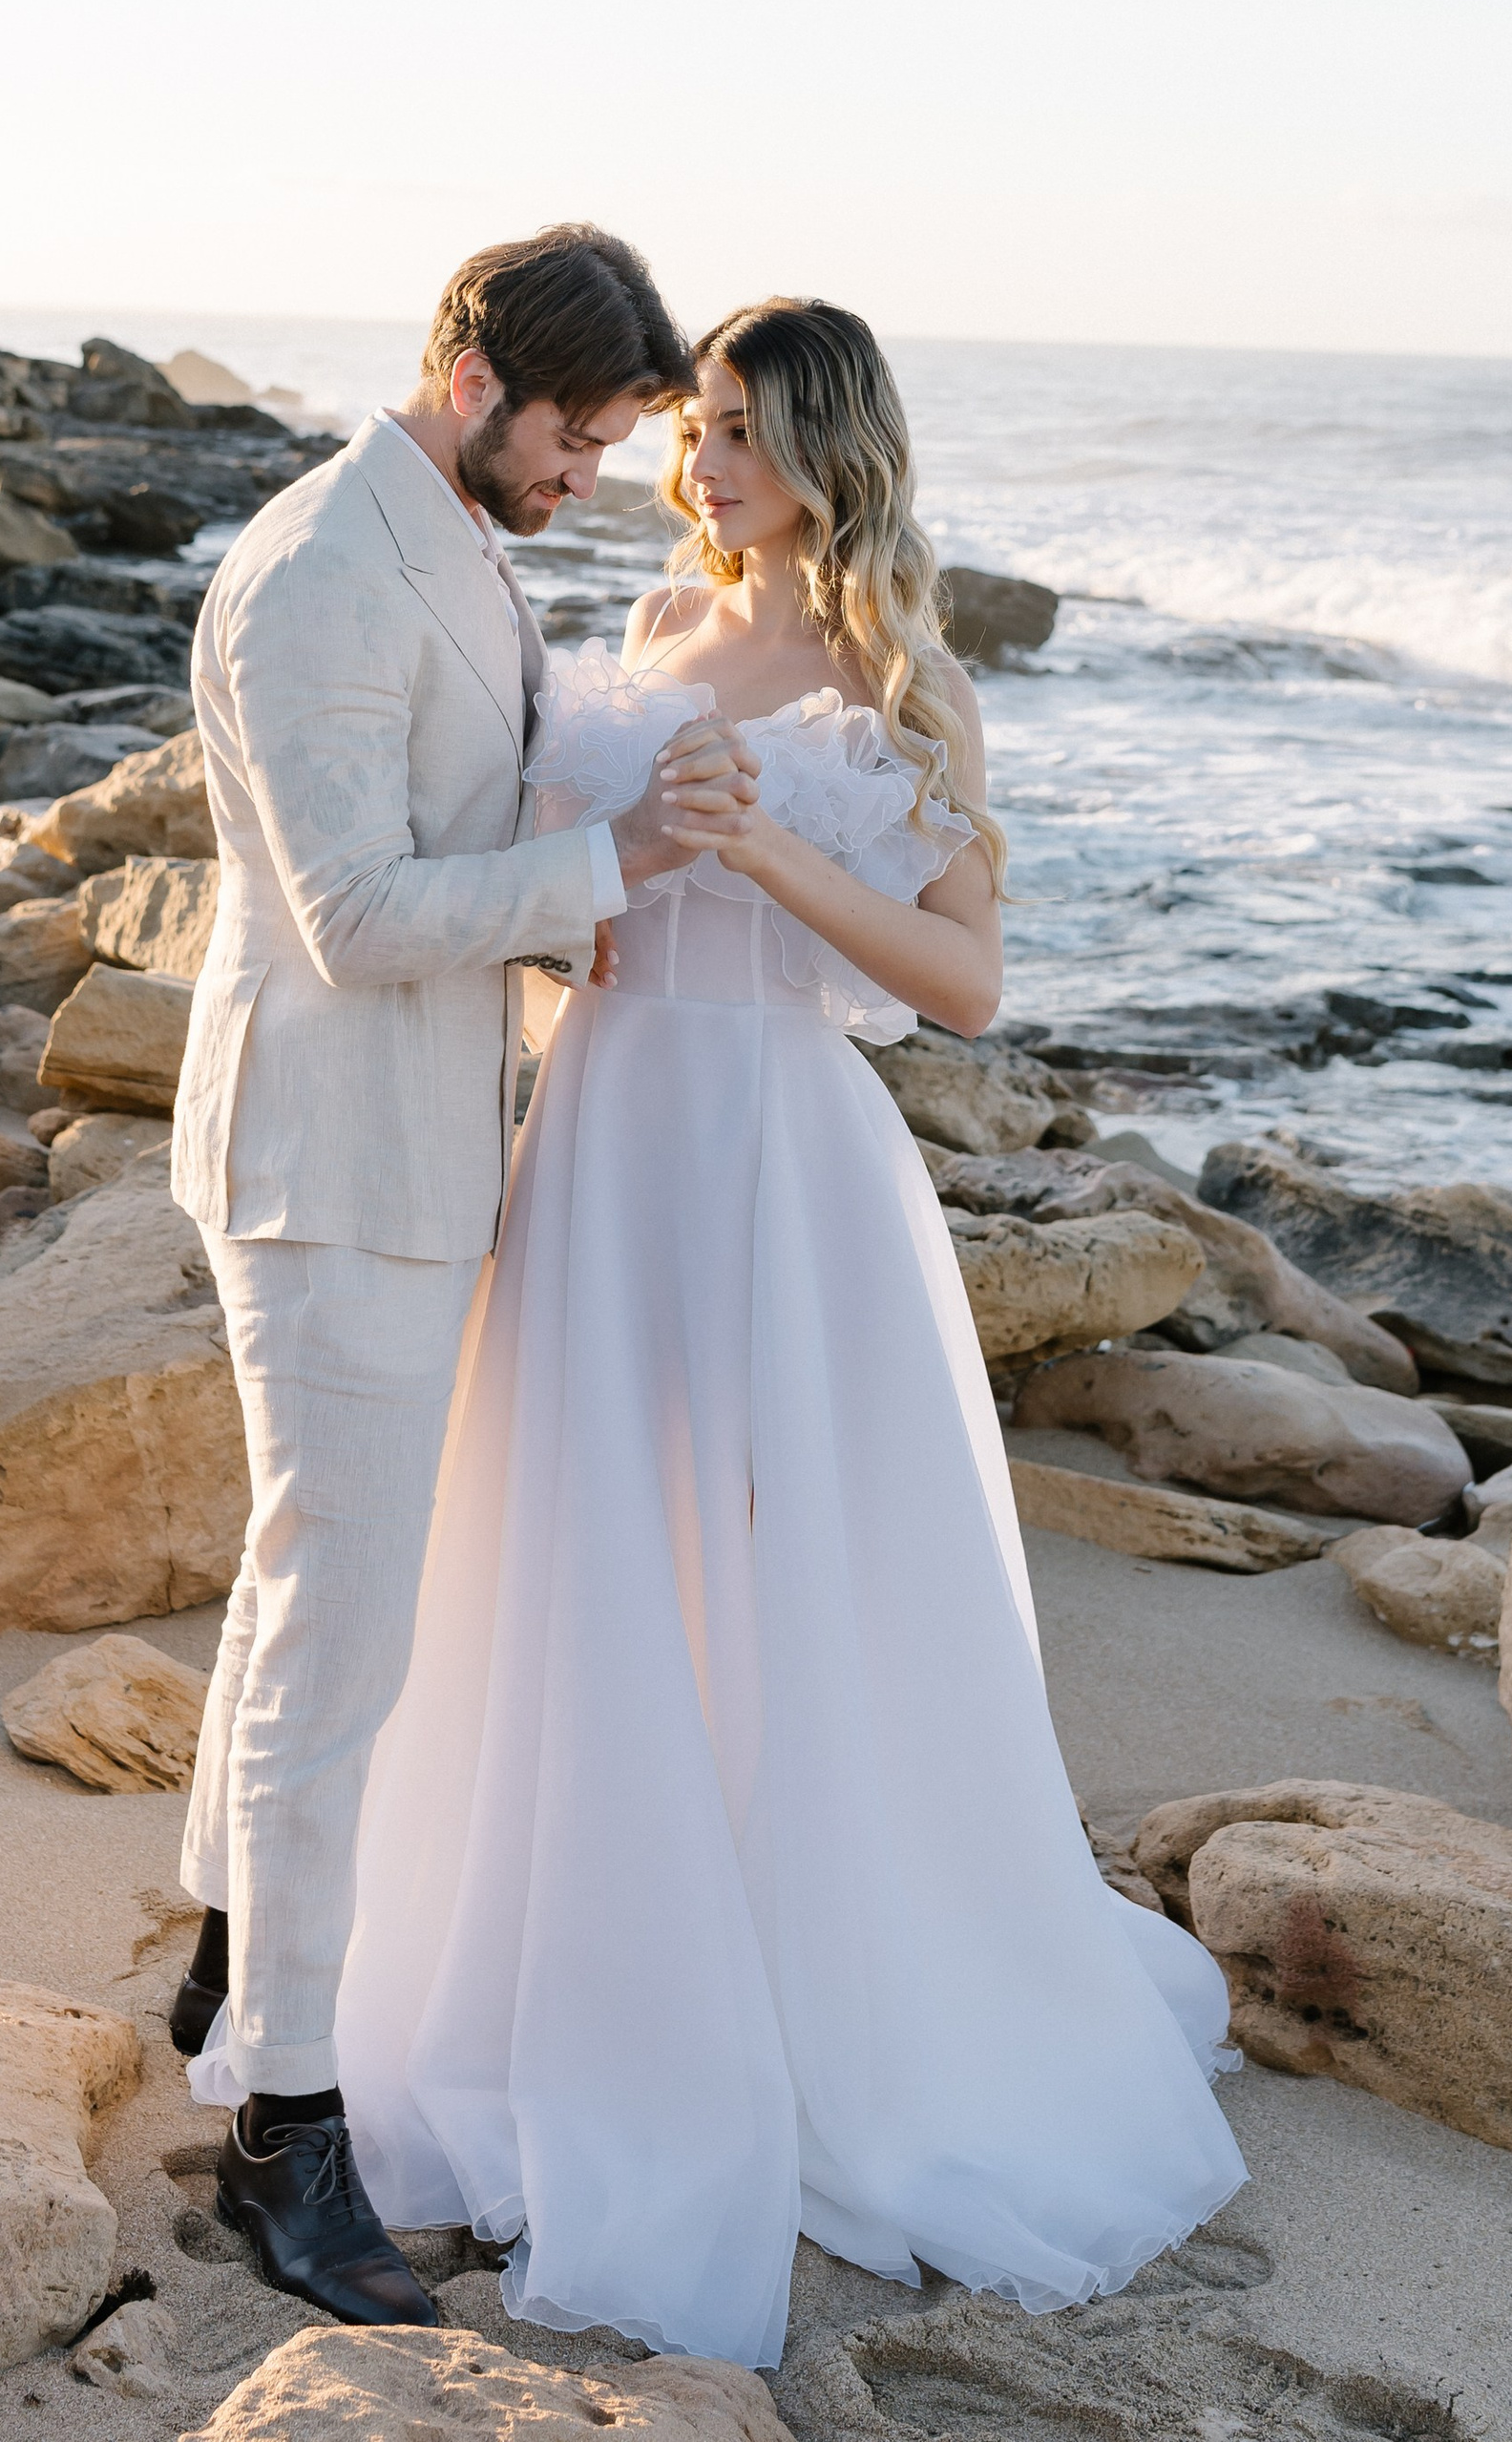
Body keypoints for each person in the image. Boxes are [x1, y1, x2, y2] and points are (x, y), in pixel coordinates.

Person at [321, 296, 1249, 2370]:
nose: (700, 458)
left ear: (830, 448)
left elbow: (966, 985)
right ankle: (591, 1980)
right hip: (604, 1132)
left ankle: (813, 1998)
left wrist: (757, 852)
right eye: (696, 424)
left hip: (775, 1152)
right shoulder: (648, 614)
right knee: (582, 1558)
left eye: (740, 430)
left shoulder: (896, 671)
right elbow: (563, 885)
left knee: (783, 1567)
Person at [166, 224, 753, 2325]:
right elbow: (340, 909)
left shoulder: (447, 537)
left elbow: (440, 828)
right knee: (343, 1638)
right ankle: (285, 2137)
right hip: (331, 1166)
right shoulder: (328, 568)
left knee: (293, 1582)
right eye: (579, 435)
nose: (589, 475)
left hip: (399, 1145)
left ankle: (226, 1960)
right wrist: (611, 866)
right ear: (473, 372)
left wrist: (561, 893)